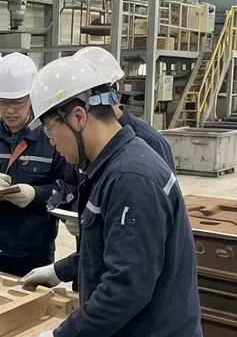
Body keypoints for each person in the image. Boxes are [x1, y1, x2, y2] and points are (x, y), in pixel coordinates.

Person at [21, 56, 204, 337]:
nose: (52, 144)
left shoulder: (130, 177)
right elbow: (118, 254)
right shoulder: (116, 166)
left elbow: (127, 286)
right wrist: (61, 270)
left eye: (51, 130)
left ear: (79, 117)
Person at [0, 52, 66, 277]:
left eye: (17, 102)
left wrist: (35, 194)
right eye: (3, 102)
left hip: (33, 251)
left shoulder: (51, 138)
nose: (9, 110)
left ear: (32, 97)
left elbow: (67, 188)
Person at [47, 46, 175, 239]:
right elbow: (73, 185)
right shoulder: (84, 143)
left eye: (50, 128)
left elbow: (138, 250)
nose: (51, 141)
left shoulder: (144, 152)